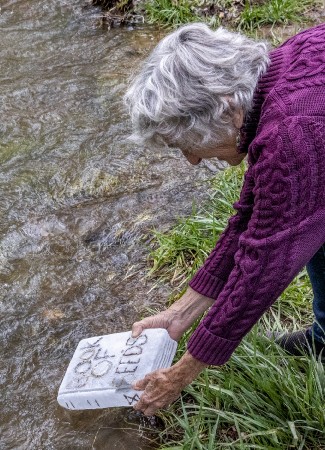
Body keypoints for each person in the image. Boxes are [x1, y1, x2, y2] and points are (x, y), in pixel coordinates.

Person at [124, 22, 325, 416]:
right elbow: (253, 217)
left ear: (228, 109)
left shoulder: (291, 135)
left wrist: (183, 371)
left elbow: (264, 264)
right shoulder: (288, 65)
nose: (193, 159)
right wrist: (178, 315)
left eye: (187, 144)